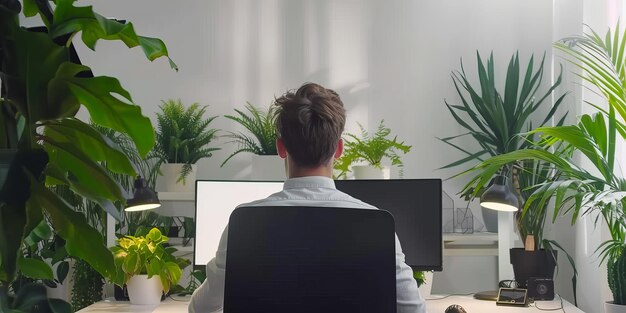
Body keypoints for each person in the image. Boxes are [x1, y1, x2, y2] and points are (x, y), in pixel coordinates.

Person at [188, 83, 427, 313]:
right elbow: (414, 309)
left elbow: (201, 308)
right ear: (339, 150)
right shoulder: (376, 225)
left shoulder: (244, 223)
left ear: (281, 148)